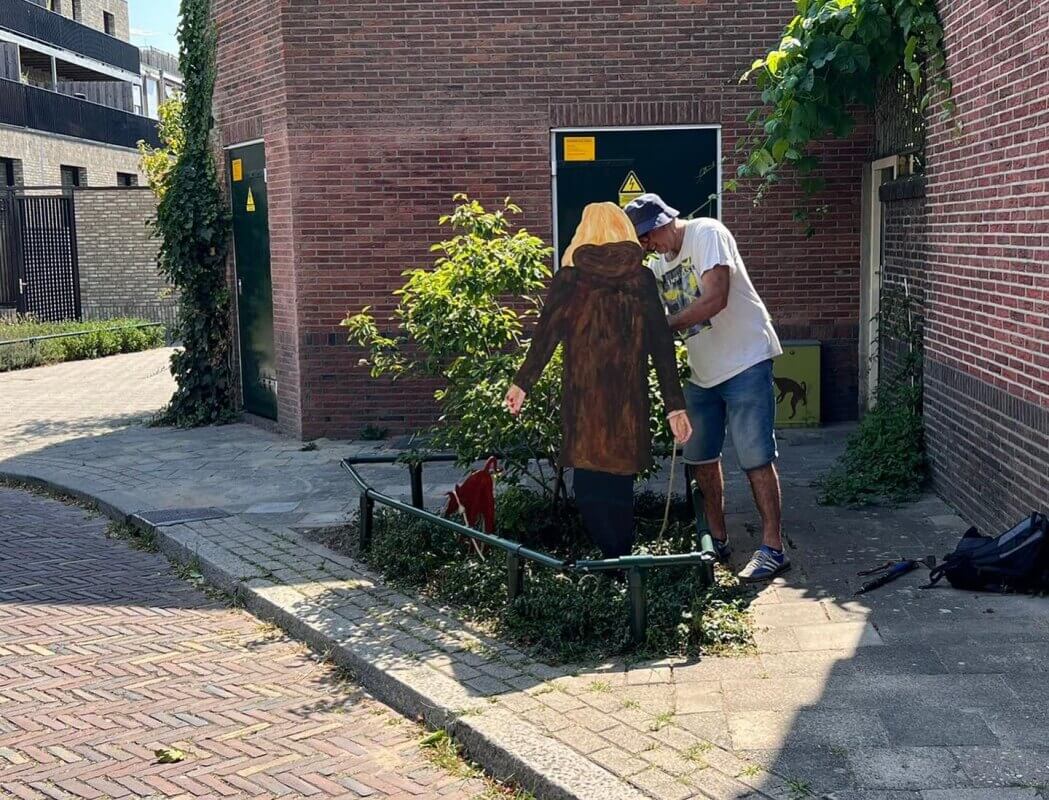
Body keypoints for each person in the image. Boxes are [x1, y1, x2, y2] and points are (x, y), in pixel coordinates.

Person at [504, 202, 692, 558]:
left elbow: (545, 337)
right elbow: (662, 346)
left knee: (588, 486)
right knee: (620, 488)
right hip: (627, 405)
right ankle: (620, 560)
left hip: (584, 403)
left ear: (583, 233)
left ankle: (609, 559)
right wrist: (675, 407)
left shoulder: (570, 281)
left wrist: (521, 384)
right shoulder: (641, 279)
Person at [624, 193, 789, 582]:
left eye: (650, 236)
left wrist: (661, 327)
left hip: (746, 359)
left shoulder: (707, 233)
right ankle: (717, 541)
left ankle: (773, 548)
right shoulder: (656, 264)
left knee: (755, 455)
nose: (649, 245)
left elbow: (715, 298)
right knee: (699, 456)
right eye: (642, 241)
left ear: (666, 221)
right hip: (702, 372)